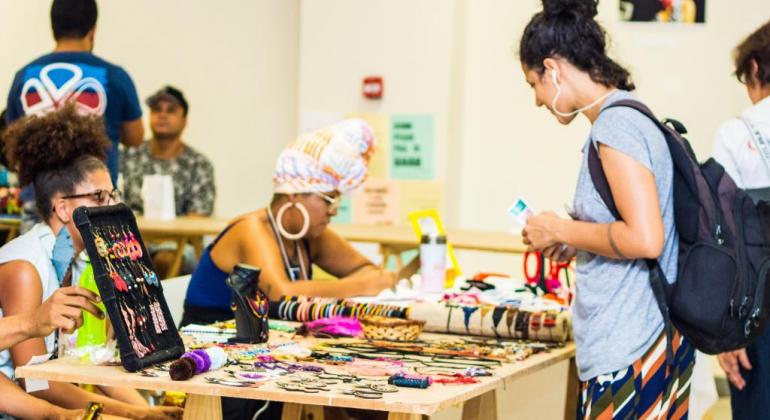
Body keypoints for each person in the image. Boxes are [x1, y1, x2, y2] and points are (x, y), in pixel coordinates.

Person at [518, 0, 694, 417]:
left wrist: (560, 230)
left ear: (553, 69)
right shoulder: (626, 121)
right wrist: (578, 241)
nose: (538, 101)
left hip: (631, 349)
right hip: (645, 343)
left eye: (534, 85)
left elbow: (646, 238)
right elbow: (629, 230)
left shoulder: (616, 127)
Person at [0, 106, 182, 419]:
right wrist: (134, 415)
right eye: (99, 197)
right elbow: (37, 382)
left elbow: (89, 359)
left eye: (114, 195)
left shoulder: (82, 261)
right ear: (63, 208)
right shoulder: (25, 268)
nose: (112, 206)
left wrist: (147, 410)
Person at [5, 0, 143, 232]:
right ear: (93, 29)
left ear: (53, 27)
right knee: (98, 269)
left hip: (40, 202)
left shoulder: (25, 76)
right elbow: (136, 137)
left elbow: (13, 141)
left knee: (41, 267)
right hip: (97, 201)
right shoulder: (114, 76)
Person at [712, 19, 770, 420]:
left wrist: (726, 333)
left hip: (758, 311)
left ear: (754, 69)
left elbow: (723, 238)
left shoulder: (737, 133)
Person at [121, 86, 215, 277]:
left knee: (165, 260)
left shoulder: (198, 164)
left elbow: (197, 218)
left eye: (171, 110)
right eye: (156, 110)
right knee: (131, 257)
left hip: (180, 244)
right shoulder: (129, 157)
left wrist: (162, 240)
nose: (162, 115)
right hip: (134, 239)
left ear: (184, 120)